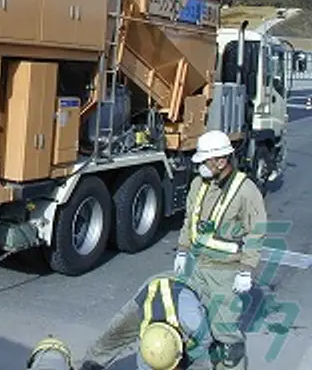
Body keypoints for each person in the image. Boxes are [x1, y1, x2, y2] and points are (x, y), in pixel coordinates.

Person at [174, 130, 267, 370]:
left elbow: (256, 232)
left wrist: (246, 270)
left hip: (226, 273)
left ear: (222, 161)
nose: (201, 167)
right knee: (196, 325)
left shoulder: (246, 191)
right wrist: (183, 251)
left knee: (225, 334)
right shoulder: (198, 184)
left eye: (206, 161)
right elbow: (189, 220)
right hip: (197, 267)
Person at [77, 272, 216, 370]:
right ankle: (90, 365)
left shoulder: (195, 321)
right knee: (114, 335)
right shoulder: (149, 342)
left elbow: (203, 346)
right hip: (151, 288)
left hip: (183, 289)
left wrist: (186, 362)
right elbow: (148, 363)